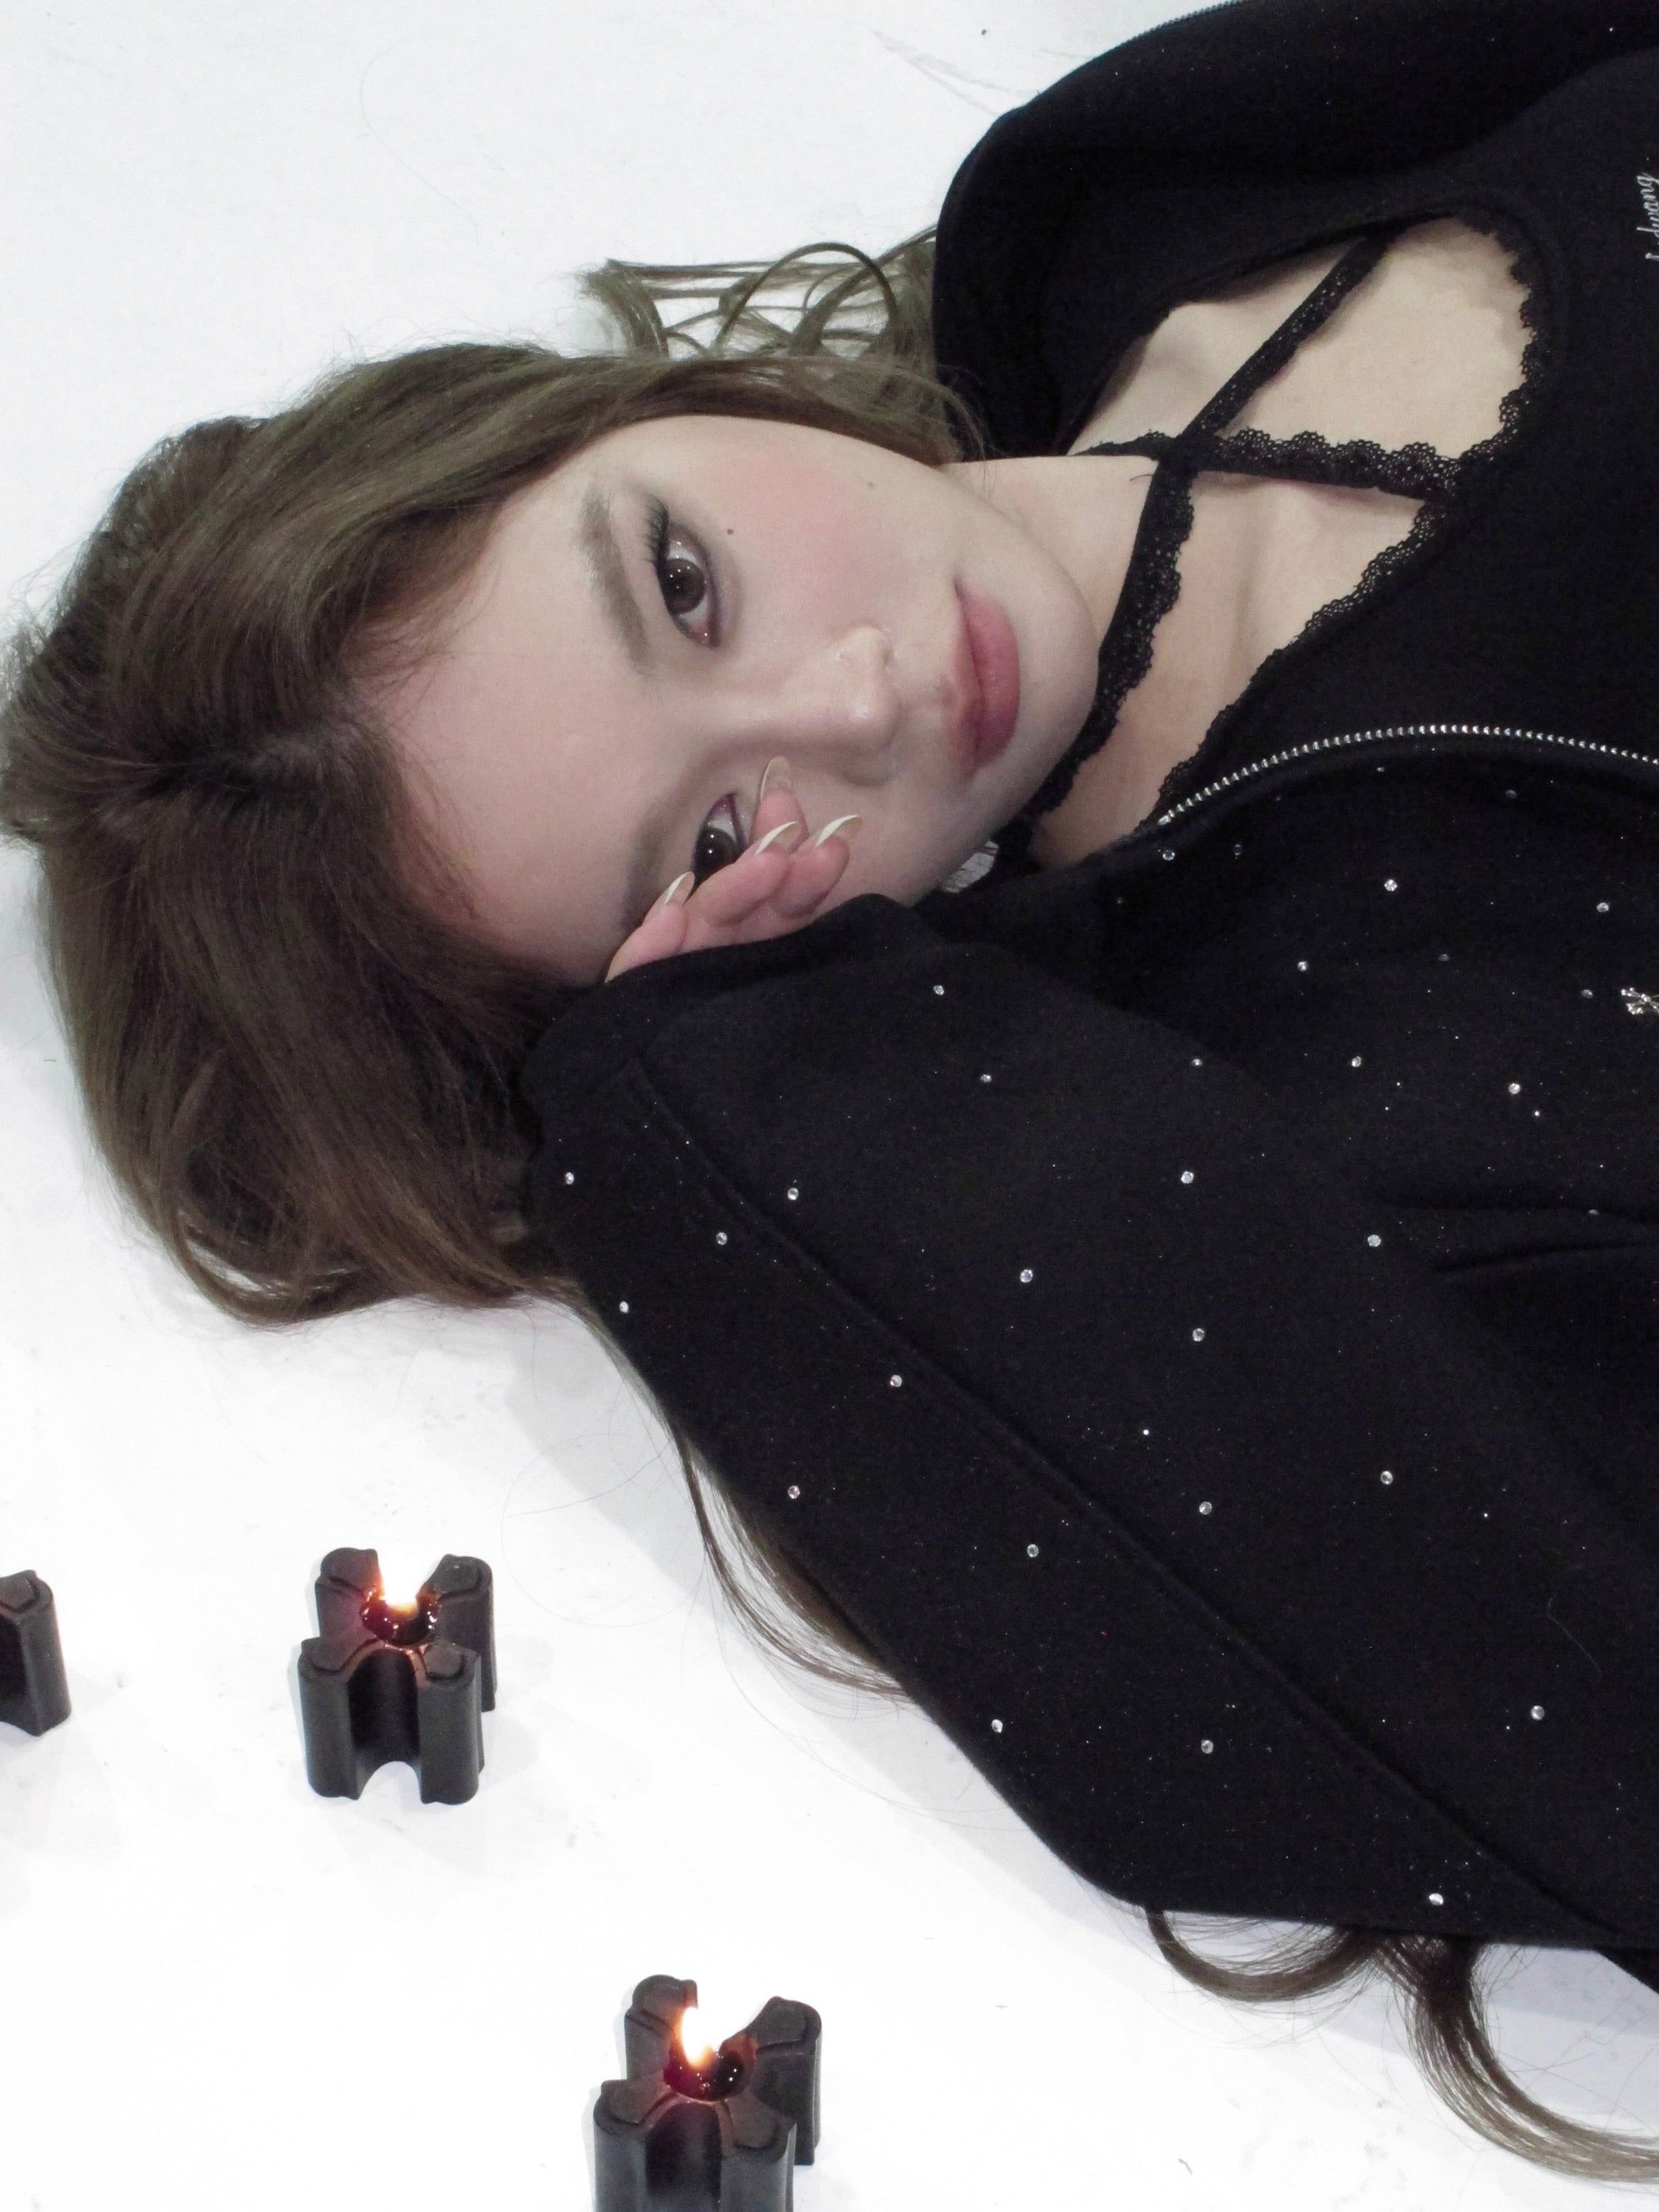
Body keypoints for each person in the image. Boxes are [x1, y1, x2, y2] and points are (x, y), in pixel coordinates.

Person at [6, 0, 1659, 2178]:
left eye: (683, 579)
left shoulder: (1112, 191)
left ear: (633, 415)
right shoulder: (1354, 1014)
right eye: (719, 831)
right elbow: (1553, 1685)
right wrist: (740, 1103)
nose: (859, 692)